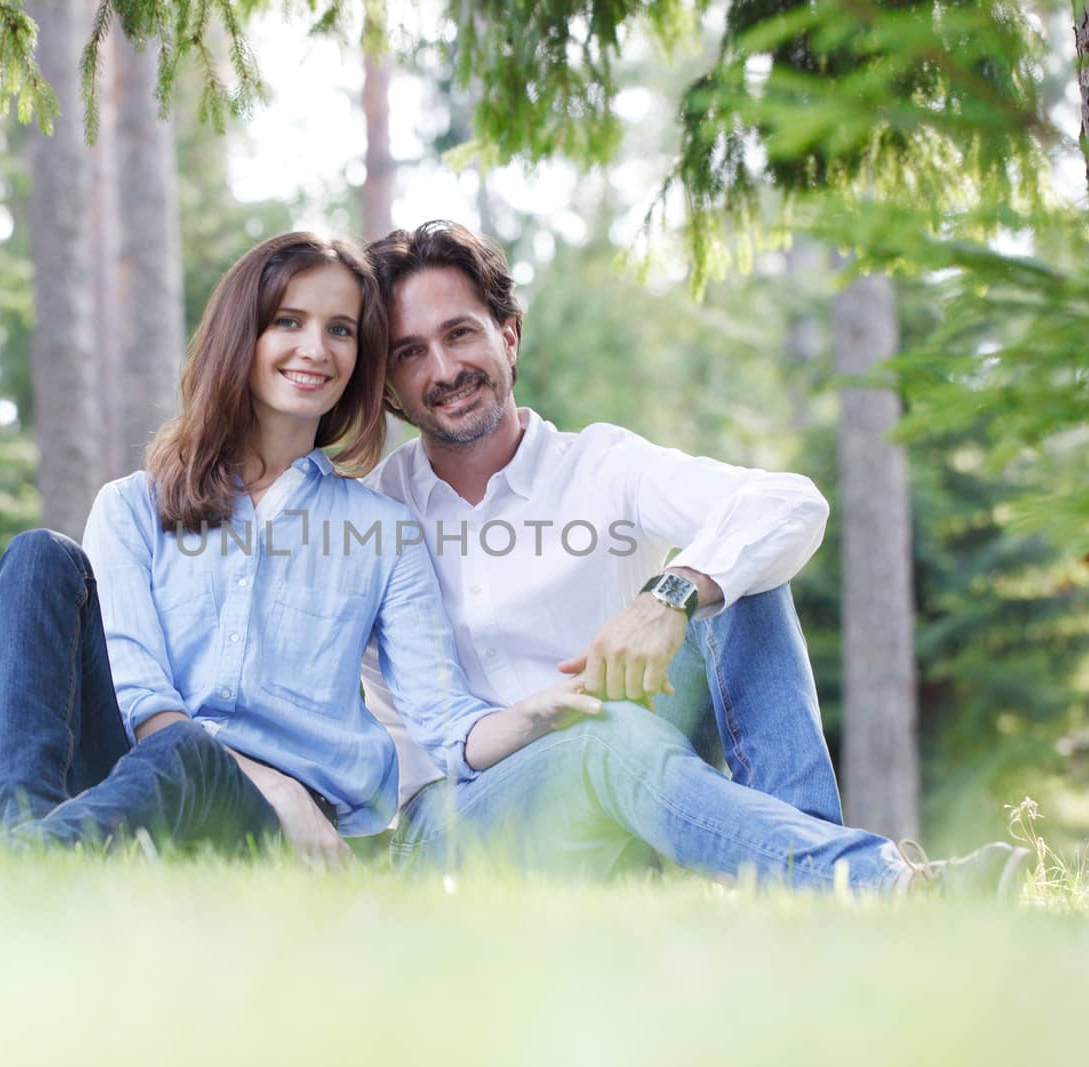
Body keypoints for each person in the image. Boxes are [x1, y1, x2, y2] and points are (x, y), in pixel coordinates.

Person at [0, 231, 596, 864]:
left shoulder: (381, 530)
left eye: (341, 330)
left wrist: (541, 709)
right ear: (242, 335)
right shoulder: (133, 504)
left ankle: (11, 867)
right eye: (289, 321)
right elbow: (141, 695)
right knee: (39, 557)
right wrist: (269, 779)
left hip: (277, 830)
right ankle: (30, 848)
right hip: (147, 780)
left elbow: (444, 723)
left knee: (188, 752)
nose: (315, 348)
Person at [359, 220, 1029, 896]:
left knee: (742, 567)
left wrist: (674, 593)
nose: (442, 371)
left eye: (459, 334)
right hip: (461, 819)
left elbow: (788, 503)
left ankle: (808, 887)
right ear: (387, 384)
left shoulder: (599, 465)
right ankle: (877, 886)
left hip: (637, 783)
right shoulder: (374, 515)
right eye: (410, 353)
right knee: (606, 733)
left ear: (507, 334)